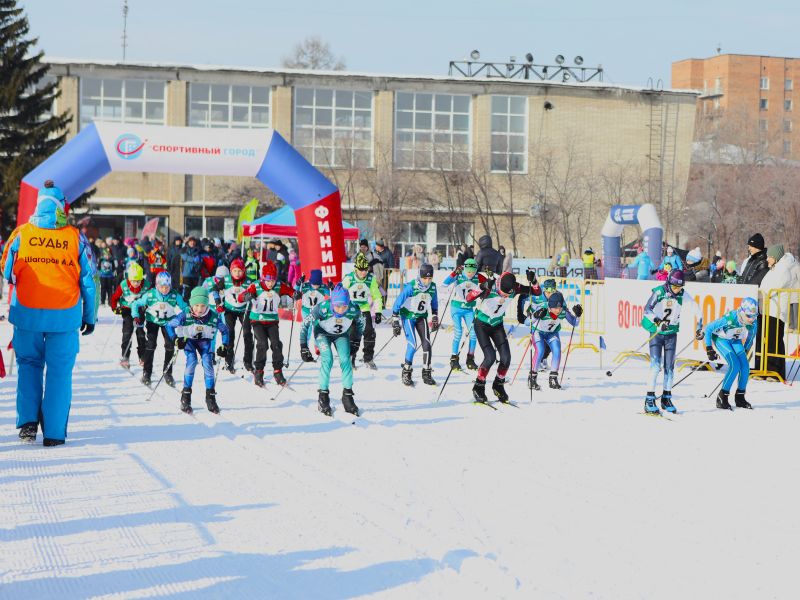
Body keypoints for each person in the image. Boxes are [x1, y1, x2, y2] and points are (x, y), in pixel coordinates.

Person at [0, 180, 97, 446]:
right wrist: (89, 316)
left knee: (29, 365)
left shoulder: (21, 233)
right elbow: (90, 279)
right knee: (59, 372)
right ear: (61, 207)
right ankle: (53, 433)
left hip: (28, 314)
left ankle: (28, 424)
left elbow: (6, 268)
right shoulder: (75, 237)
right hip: (64, 316)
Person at [465, 270, 539, 403]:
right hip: (481, 324)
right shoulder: (491, 285)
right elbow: (469, 298)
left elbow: (536, 292)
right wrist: (482, 286)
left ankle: (498, 385)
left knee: (506, 358)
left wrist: (533, 281)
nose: (504, 296)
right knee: (490, 357)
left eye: (507, 294)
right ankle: (479, 386)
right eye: (502, 292)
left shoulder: (515, 288)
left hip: (497, 324)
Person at [640, 269, 704, 415]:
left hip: (671, 333)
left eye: (680, 288)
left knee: (670, 368)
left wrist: (700, 327)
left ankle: (666, 398)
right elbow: (647, 309)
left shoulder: (682, 294)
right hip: (657, 332)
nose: (677, 290)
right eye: (675, 287)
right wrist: (658, 321)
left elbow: (697, 310)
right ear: (669, 283)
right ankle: (649, 399)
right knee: (655, 366)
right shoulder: (659, 292)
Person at [301, 284, 365, 416]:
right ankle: (323, 395)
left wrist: (356, 340)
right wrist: (303, 346)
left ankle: (347, 395)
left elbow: (361, 323)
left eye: (344, 306)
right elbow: (305, 324)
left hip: (341, 335)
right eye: (337, 306)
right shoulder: (323, 308)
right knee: (328, 359)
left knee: (345, 360)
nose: (341, 310)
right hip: (322, 334)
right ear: (332, 302)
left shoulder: (353, 309)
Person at [165, 286, 229, 414]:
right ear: (191, 304)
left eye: (202, 306)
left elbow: (225, 330)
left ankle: (210, 398)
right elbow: (169, 325)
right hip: (189, 341)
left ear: (207, 305)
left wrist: (224, 345)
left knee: (208, 364)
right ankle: (186, 396)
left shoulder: (213, 316)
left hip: (205, 342)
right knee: (192, 361)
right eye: (196, 305)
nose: (199, 309)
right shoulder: (185, 314)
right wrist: (176, 339)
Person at [239, 261, 295, 386]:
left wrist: (295, 294)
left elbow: (291, 292)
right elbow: (241, 296)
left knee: (276, 344)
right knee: (262, 344)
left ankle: (278, 371)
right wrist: (246, 296)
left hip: (272, 321)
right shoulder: (256, 286)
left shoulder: (279, 286)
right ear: (263, 278)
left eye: (273, 280)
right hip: (257, 320)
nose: (270, 284)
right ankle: (259, 371)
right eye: (267, 280)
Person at [131, 271, 188, 387]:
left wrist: (182, 316)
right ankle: (147, 373)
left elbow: (185, 307)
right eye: (161, 287)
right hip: (153, 321)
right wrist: (136, 316)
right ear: (157, 285)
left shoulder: (174, 295)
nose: (164, 289)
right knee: (151, 346)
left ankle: (168, 373)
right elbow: (136, 304)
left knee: (170, 346)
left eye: (167, 287)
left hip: (168, 322)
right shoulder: (150, 295)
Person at [704, 297, 758, 410]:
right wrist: (709, 348)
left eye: (754, 316)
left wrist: (745, 350)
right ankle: (722, 396)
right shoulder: (731, 317)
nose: (751, 319)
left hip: (735, 340)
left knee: (745, 366)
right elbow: (708, 328)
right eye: (749, 316)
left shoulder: (753, 322)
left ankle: (740, 398)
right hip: (721, 339)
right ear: (742, 312)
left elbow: (750, 337)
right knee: (735, 365)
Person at [391, 263, 439, 386]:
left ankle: (426, 372)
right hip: (408, 317)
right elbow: (398, 302)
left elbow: (434, 304)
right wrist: (395, 320)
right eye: (425, 278)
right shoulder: (411, 287)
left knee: (427, 344)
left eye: (430, 278)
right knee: (412, 344)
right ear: (420, 276)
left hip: (421, 317)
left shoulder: (433, 287)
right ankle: (406, 371)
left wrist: (434, 316)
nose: (427, 281)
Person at [523, 291, 582, 390]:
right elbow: (526, 322)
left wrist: (578, 315)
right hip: (538, 332)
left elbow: (574, 323)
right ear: (550, 307)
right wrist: (535, 316)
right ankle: (532, 378)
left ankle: (553, 378)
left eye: (559, 307)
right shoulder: (543, 308)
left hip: (552, 333)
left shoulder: (563, 311)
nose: (558, 310)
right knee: (540, 350)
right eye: (555, 308)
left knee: (557, 351)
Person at [759, 244, 800, 380]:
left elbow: (772, 287)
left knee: (774, 341)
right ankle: (765, 368)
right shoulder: (775, 268)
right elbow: (764, 285)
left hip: (776, 310)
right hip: (768, 308)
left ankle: (776, 371)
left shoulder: (783, 269)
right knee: (767, 340)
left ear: (776, 257)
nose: (767, 259)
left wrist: (762, 293)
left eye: (770, 257)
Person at [213, 257, 254, 374]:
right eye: (235, 271)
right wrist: (218, 303)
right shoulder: (226, 280)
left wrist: (252, 297)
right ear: (231, 271)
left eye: (240, 271)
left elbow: (256, 293)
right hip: (229, 310)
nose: (237, 273)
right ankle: (229, 360)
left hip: (244, 310)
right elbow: (214, 290)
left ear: (244, 271)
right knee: (230, 334)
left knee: (247, 334)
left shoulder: (248, 281)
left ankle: (248, 361)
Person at [342, 253, 383, 369]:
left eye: (366, 269)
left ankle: (368, 358)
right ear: (356, 269)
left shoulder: (371, 279)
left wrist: (378, 312)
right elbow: (340, 293)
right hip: (350, 310)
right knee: (353, 335)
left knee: (370, 332)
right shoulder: (349, 278)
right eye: (361, 270)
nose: (363, 272)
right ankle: (351, 358)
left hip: (364, 309)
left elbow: (377, 296)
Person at [442, 258, 481, 371]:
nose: (471, 274)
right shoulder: (459, 275)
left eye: (473, 272)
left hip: (469, 309)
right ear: (465, 269)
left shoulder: (477, 276)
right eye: (469, 272)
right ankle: (454, 359)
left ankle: (470, 359)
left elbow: (490, 282)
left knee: (474, 333)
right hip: (456, 308)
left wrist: (490, 276)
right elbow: (444, 284)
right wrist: (454, 272)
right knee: (458, 332)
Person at [110, 262, 151, 369]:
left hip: (139, 311)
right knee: (127, 333)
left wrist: (147, 305)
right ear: (129, 279)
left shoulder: (146, 285)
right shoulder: (124, 285)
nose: (136, 283)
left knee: (140, 334)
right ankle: (125, 357)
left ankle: (142, 356)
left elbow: (152, 297)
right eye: (133, 281)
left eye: (138, 281)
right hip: (127, 310)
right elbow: (114, 297)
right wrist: (115, 308)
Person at [296, 269, 328, 360]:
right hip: (306, 310)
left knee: (318, 328)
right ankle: (305, 347)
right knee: (307, 328)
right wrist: (299, 283)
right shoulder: (305, 285)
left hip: (318, 311)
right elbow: (296, 290)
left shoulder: (323, 287)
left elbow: (331, 292)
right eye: (314, 284)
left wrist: (331, 287)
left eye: (317, 284)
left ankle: (317, 345)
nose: (315, 286)